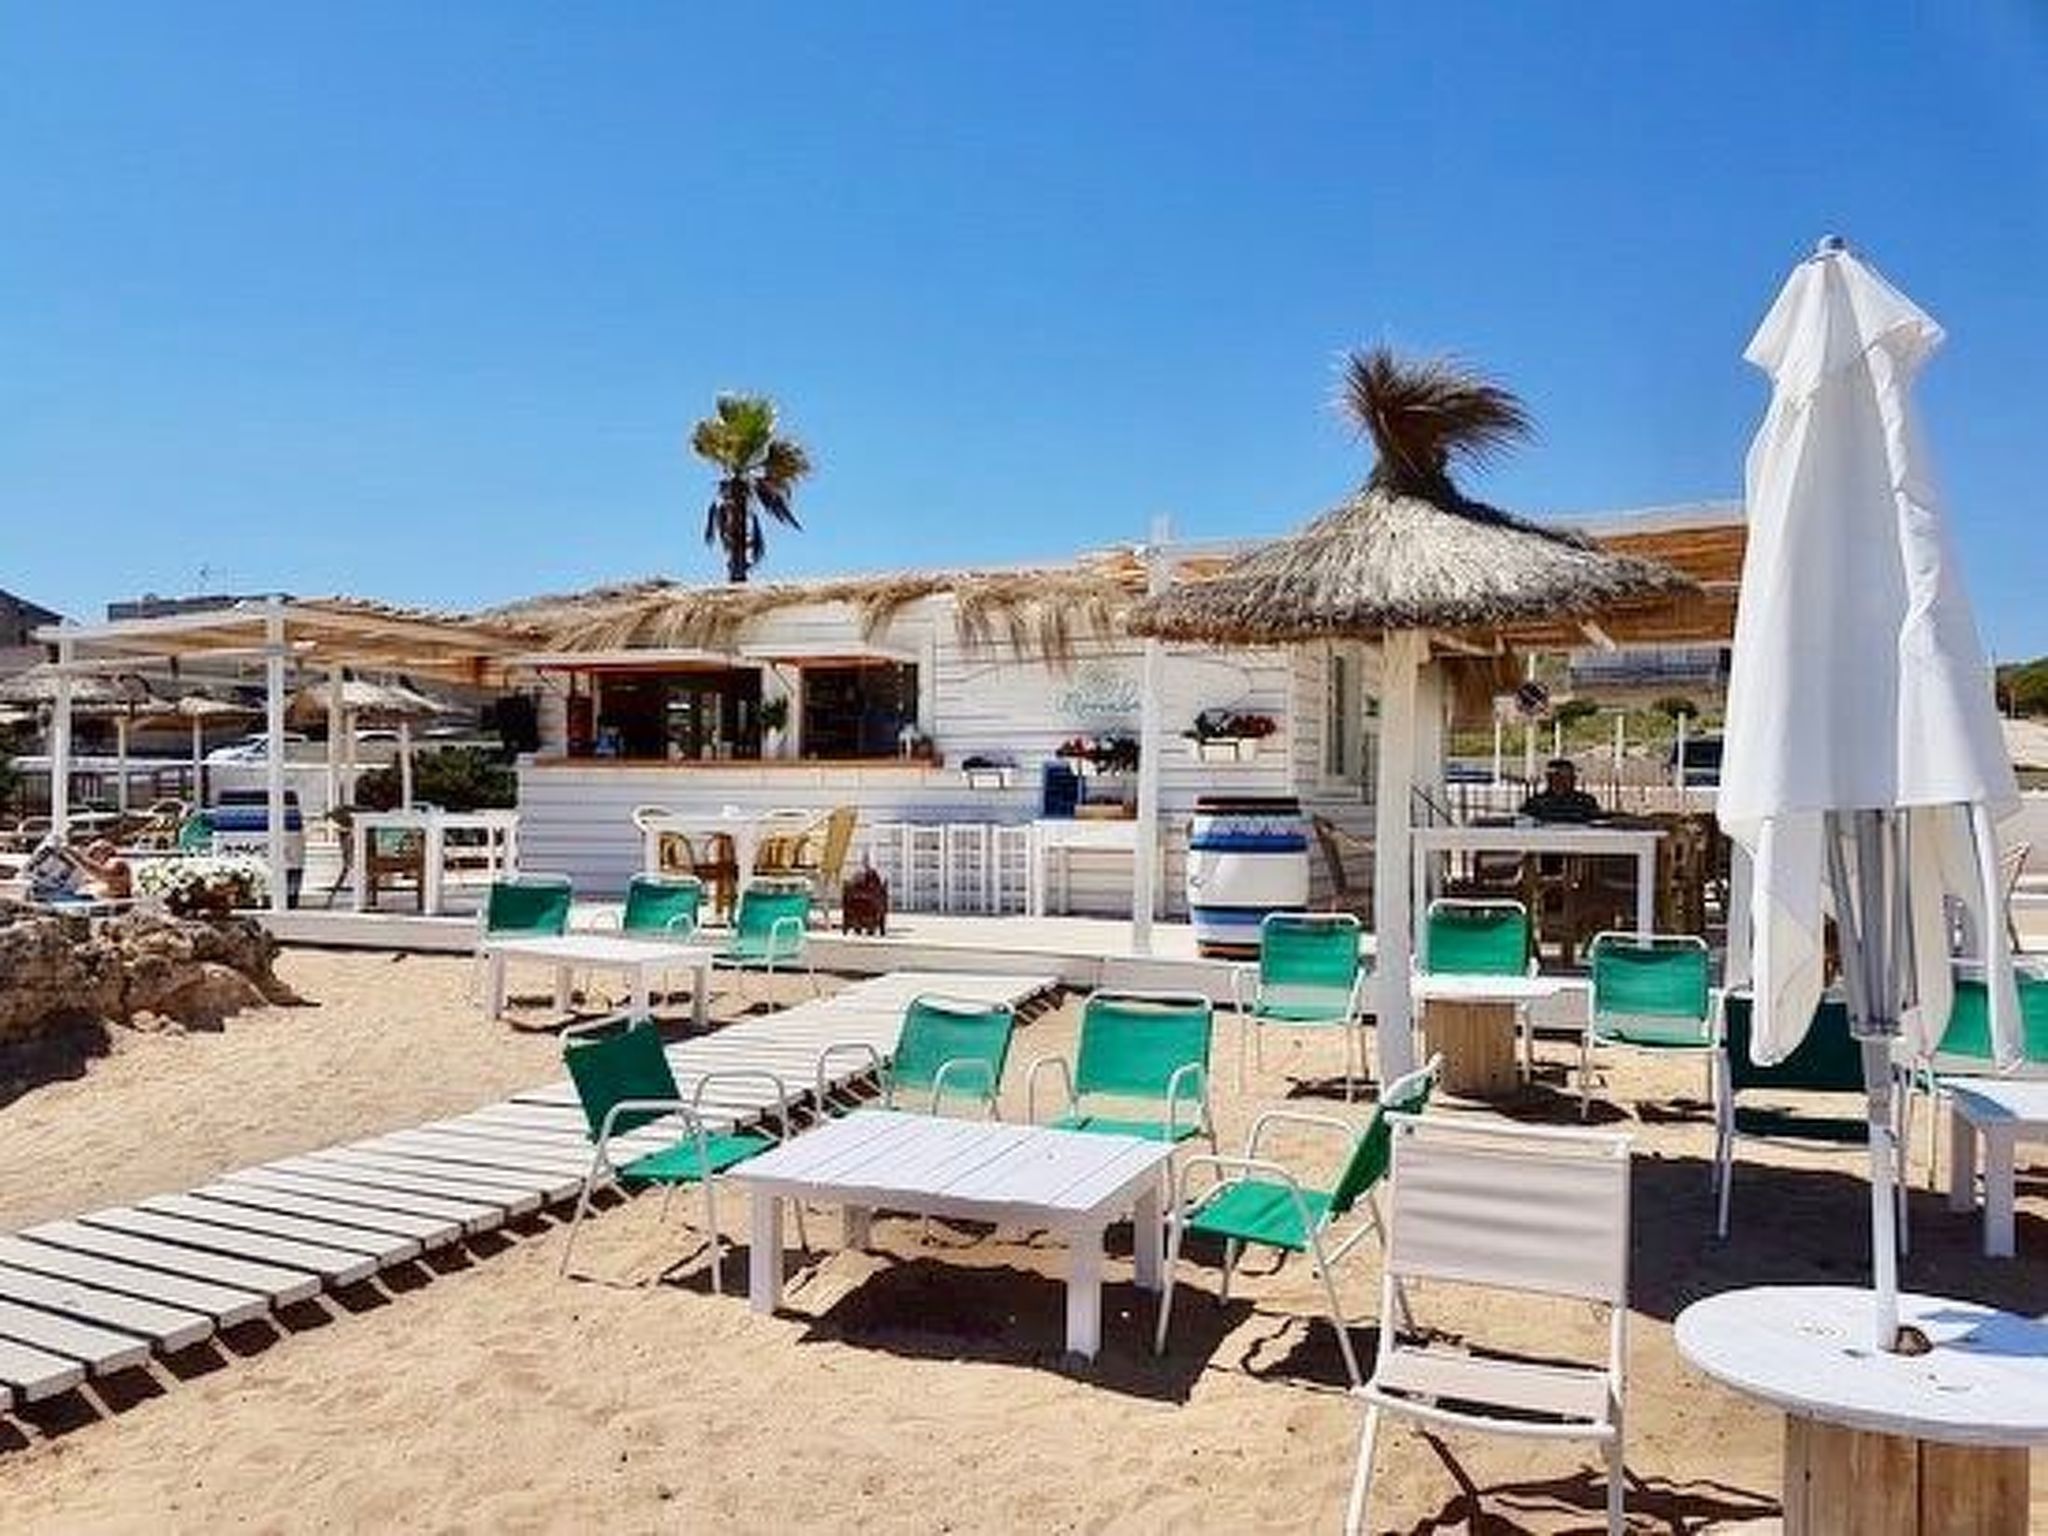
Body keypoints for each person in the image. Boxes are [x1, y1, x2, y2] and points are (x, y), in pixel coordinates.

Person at [1521, 758, 1602, 824]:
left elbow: (1598, 820)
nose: (1561, 782)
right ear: (1548, 779)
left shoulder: (1586, 802)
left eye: (1565, 778)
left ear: (1574, 779)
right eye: (1557, 777)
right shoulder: (1535, 803)